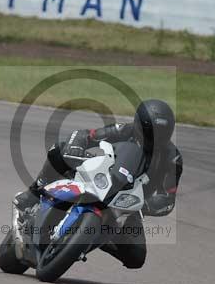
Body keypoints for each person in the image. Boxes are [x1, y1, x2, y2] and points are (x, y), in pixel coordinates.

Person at [14, 99, 182, 269]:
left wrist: (144, 205)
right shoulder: (124, 130)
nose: (156, 138)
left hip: (127, 204)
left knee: (136, 257)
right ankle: (33, 194)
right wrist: (75, 146)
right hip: (101, 178)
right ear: (139, 124)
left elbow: (168, 199)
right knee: (59, 150)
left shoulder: (173, 158)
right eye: (152, 132)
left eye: (162, 133)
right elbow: (85, 135)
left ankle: (94, 238)